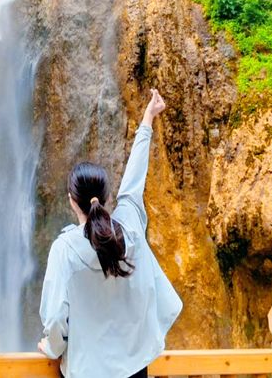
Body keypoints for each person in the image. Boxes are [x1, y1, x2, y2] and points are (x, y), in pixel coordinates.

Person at [38, 89, 183, 378]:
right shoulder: (129, 228)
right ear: (105, 196)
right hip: (135, 369)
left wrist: (52, 348)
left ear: (71, 199)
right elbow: (134, 182)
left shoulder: (65, 249)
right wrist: (147, 120)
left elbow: (55, 317)